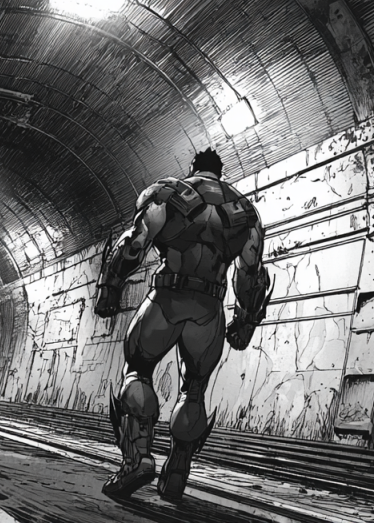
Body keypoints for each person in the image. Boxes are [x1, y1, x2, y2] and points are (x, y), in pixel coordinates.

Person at [94, 147, 273, 502]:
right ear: (220, 173)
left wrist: (110, 288)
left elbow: (134, 244)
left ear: (193, 168)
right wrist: (245, 321)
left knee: (138, 369)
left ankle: (138, 459)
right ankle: (176, 471)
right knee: (194, 389)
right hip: (209, 308)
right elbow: (250, 274)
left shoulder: (168, 193)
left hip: (167, 298)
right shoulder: (245, 213)